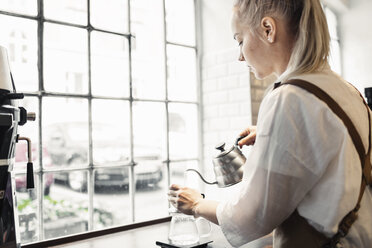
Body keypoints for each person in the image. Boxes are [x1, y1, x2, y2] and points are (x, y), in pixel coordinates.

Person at [168, 0, 372, 247]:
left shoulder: (288, 98)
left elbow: (251, 216)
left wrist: (197, 204)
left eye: (240, 40)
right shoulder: (347, 90)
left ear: (268, 29)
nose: (240, 56)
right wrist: (272, 134)